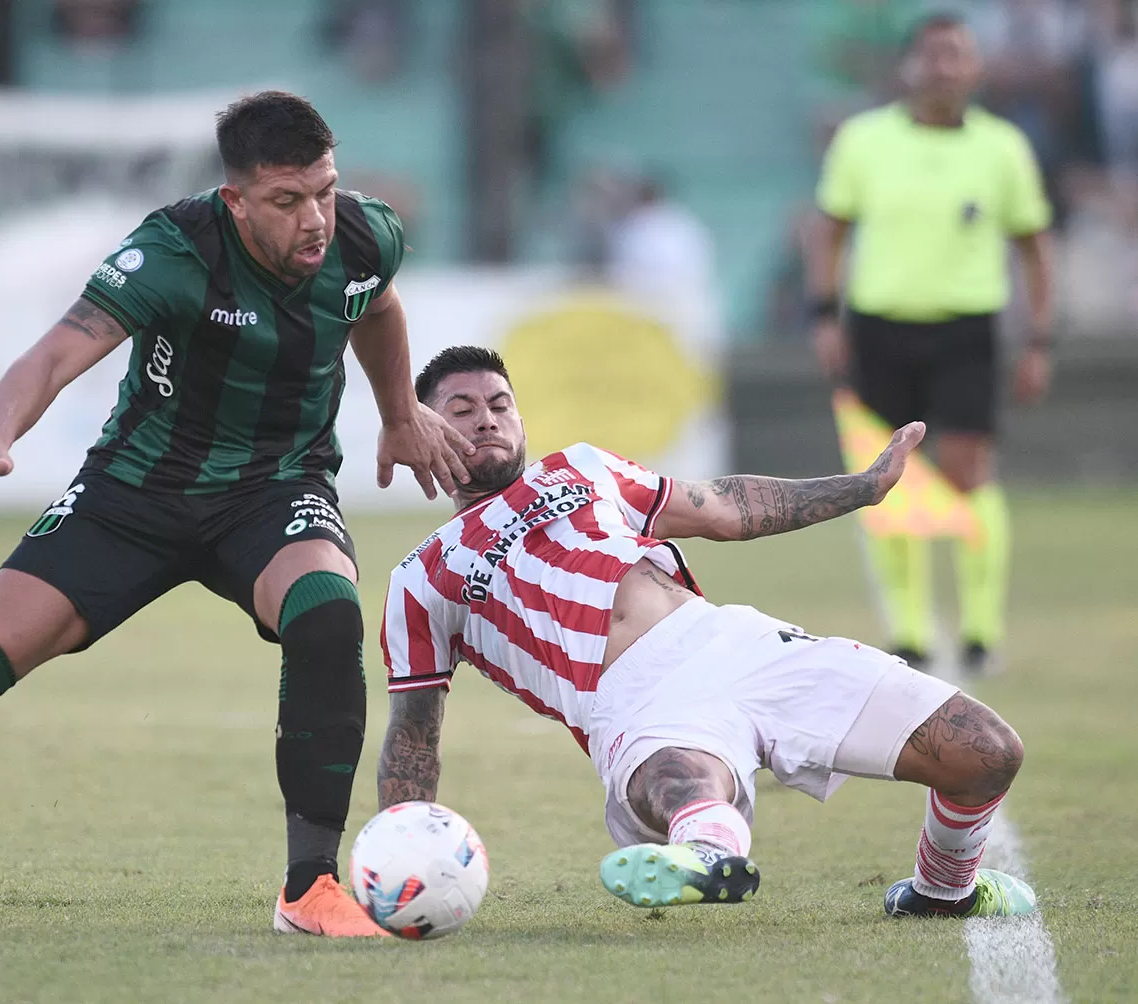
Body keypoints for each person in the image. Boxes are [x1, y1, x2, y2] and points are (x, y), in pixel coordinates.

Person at [0, 91, 472, 938]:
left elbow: (377, 303)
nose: (314, 218)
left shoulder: (363, 234)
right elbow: (61, 347)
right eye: (288, 201)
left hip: (275, 486)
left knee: (327, 615)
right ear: (236, 199)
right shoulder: (174, 250)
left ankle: (310, 887)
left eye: (322, 190)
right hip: (134, 491)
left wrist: (399, 414)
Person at [377, 346, 1034, 919]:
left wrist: (861, 488)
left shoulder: (581, 469)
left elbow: (725, 506)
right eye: (460, 409)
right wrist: (396, 852)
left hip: (732, 643)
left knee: (987, 751)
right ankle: (707, 860)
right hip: (633, 702)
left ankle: (942, 892)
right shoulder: (420, 577)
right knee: (683, 780)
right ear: (423, 427)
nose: (486, 417)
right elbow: (412, 735)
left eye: (499, 403)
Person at [807, 12, 1056, 674]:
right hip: (878, 327)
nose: (946, 67)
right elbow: (828, 230)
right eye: (934, 55)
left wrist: (1039, 339)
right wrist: (825, 316)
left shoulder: (1001, 148)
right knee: (886, 479)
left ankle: (980, 631)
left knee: (968, 468)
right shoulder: (863, 141)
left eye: (958, 55)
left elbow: (1034, 247)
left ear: (975, 68)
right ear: (910, 67)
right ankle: (910, 634)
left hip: (966, 329)